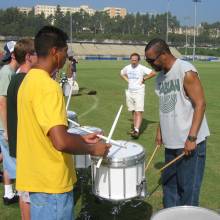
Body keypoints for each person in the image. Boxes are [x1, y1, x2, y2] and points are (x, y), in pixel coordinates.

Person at [16, 26, 110, 220]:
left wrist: (81, 138)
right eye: (65, 52)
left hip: (36, 179)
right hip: (52, 184)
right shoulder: (49, 87)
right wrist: (93, 149)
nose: (66, 57)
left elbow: (44, 132)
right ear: (54, 52)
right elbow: (60, 141)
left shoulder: (27, 80)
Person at [144, 38, 210, 208]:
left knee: (188, 191)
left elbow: (201, 104)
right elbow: (165, 106)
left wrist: (192, 138)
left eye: (151, 60)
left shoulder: (185, 71)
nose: (150, 64)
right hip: (171, 143)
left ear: (164, 54)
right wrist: (160, 130)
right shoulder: (160, 78)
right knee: (170, 188)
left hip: (190, 143)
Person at [7, 38, 38, 220]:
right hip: (26, 147)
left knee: (24, 191)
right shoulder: (25, 81)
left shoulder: (16, 78)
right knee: (28, 194)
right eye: (37, 53)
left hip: (20, 145)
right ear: (28, 57)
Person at [0, 40, 19, 205]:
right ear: (13, 54)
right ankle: (18, 193)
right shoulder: (7, 72)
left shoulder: (10, 72)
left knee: (7, 160)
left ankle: (9, 194)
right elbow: (3, 102)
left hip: (5, 126)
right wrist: (6, 129)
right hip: (5, 127)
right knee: (14, 160)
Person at [120, 53, 156, 138]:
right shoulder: (127, 68)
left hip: (139, 91)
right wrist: (128, 81)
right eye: (132, 60)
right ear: (130, 60)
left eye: (135, 60)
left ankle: (136, 131)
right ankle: (135, 128)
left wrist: (144, 79)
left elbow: (153, 73)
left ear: (138, 60)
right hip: (130, 92)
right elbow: (121, 73)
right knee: (133, 110)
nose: (133, 62)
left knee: (138, 111)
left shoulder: (141, 68)